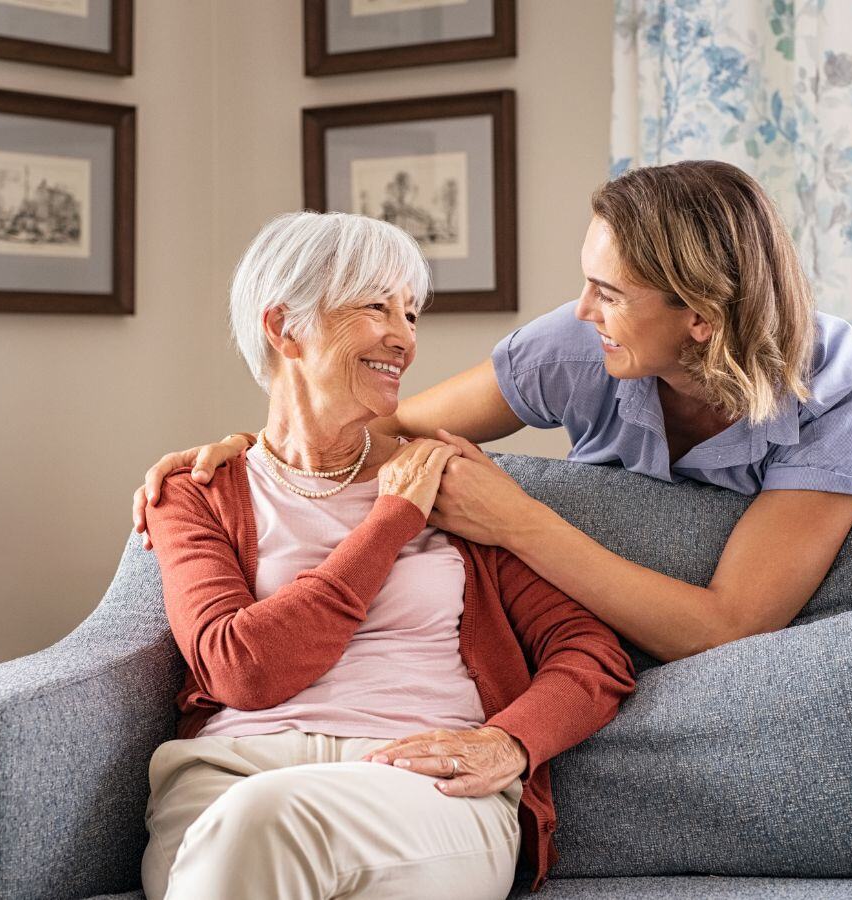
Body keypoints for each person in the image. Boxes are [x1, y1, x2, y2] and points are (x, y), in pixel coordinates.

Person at [134, 160, 852, 664]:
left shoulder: (838, 393)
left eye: (610, 293)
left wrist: (515, 520)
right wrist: (253, 448)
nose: (580, 308)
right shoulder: (575, 347)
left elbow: (730, 628)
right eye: (586, 280)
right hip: (575, 642)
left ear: (700, 317)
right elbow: (383, 430)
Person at [141, 211, 635, 900]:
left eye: (411, 313)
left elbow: (591, 653)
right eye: (377, 307)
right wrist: (390, 524)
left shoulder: (453, 485)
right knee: (249, 822)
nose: (403, 338)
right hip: (229, 779)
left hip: (420, 788)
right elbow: (241, 670)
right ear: (285, 328)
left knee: (263, 826)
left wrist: (510, 744)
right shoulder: (196, 492)